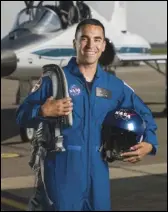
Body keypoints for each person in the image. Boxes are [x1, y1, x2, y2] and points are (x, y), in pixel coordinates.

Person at [16, 18, 158, 211]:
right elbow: (22, 115)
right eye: (84, 39)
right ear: (75, 43)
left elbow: (144, 113)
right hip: (62, 172)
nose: (91, 45)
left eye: (97, 39)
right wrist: (42, 111)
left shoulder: (113, 85)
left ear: (103, 45)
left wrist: (149, 143)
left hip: (98, 172)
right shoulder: (55, 80)